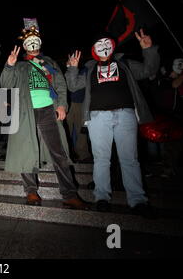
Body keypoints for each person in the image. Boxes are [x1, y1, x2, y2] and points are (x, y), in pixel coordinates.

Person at [65, 29, 160, 217]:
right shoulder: (91, 67)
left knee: (130, 159)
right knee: (101, 159)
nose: (104, 46)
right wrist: (72, 68)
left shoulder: (124, 63)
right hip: (98, 117)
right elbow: (73, 85)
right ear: (93, 50)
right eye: (99, 44)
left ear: (113, 45)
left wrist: (149, 50)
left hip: (125, 115)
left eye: (106, 42)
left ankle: (137, 200)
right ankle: (101, 198)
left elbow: (149, 70)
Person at [0, 25, 88, 209]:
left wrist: (62, 105)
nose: (32, 43)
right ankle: (31, 191)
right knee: (26, 150)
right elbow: (5, 84)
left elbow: (61, 85)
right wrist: (9, 65)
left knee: (59, 151)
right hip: (26, 111)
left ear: (39, 43)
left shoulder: (50, 62)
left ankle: (69, 194)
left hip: (49, 109)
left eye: (35, 40)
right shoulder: (20, 64)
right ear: (24, 46)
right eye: (28, 42)